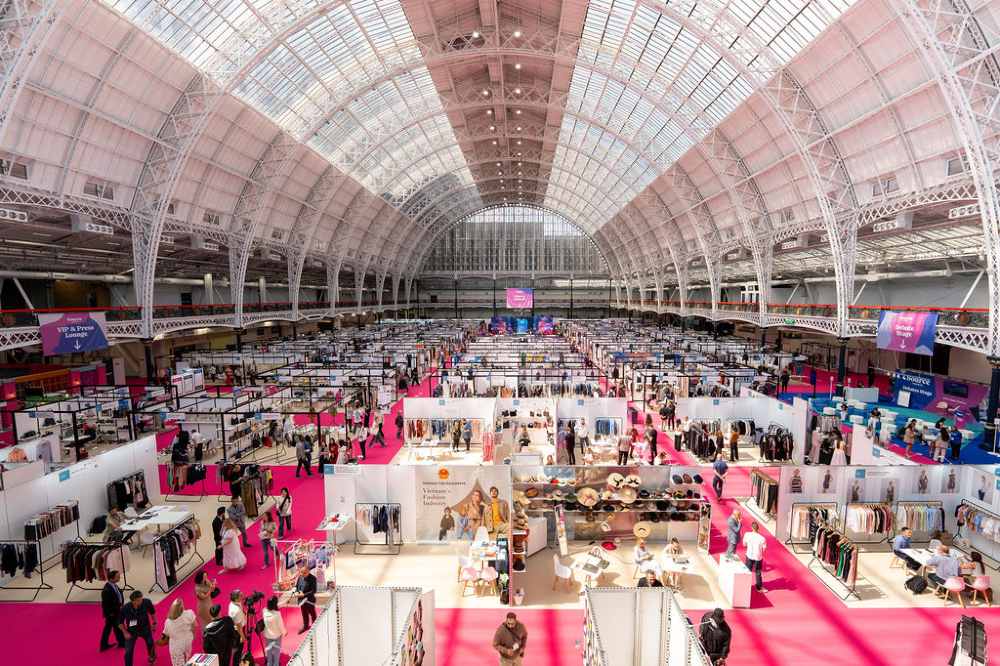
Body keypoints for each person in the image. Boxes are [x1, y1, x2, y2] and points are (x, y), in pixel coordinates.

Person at [119, 590, 156, 666]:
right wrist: (125, 633)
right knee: (128, 651)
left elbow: (152, 612)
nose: (141, 601)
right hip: (131, 631)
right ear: (133, 601)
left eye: (141, 599)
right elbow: (120, 622)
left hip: (145, 628)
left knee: (150, 643)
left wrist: (154, 623)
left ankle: (152, 658)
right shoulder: (125, 608)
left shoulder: (147, 602)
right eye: (139, 600)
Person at [157, 599, 196, 666]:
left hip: (176, 646)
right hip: (188, 641)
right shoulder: (189, 613)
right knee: (187, 659)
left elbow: (166, 634)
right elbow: (194, 625)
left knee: (178, 663)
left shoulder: (168, 622)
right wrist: (193, 636)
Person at [100, 569, 126, 651]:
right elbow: (106, 604)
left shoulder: (113, 585)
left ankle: (105, 645)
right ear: (111, 578)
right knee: (115, 627)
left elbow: (118, 595)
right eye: (117, 577)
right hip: (112, 613)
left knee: (110, 628)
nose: (119, 578)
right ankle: (121, 643)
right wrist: (111, 613)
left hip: (115, 611)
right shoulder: (107, 590)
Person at [743, 521, 766, 593]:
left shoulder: (747, 534)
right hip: (758, 557)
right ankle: (759, 588)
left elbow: (744, 544)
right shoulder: (762, 538)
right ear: (758, 529)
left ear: (751, 527)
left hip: (749, 555)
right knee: (758, 572)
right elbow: (764, 549)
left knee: (747, 571)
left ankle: (744, 585)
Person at [262, 596, 286, 666]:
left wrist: (284, 602)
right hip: (276, 636)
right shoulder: (277, 614)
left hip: (267, 635)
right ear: (275, 604)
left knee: (269, 651)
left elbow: (276, 606)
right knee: (276, 652)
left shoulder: (264, 610)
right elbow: (280, 625)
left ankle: (269, 663)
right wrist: (284, 632)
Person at [296, 563, 318, 633]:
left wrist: (304, 595)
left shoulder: (313, 578)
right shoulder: (300, 577)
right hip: (301, 600)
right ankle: (305, 626)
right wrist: (297, 592)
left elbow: (314, 591)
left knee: (312, 614)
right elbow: (297, 586)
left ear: (308, 571)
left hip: (309, 600)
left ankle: (315, 627)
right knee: (304, 613)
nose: (302, 574)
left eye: (304, 573)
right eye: (301, 572)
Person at [228, 590, 246, 666]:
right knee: (238, 650)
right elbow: (238, 626)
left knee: (238, 650)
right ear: (236, 599)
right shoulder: (236, 610)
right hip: (238, 632)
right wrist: (242, 636)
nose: (242, 596)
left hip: (237, 628)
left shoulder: (234, 603)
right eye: (240, 596)